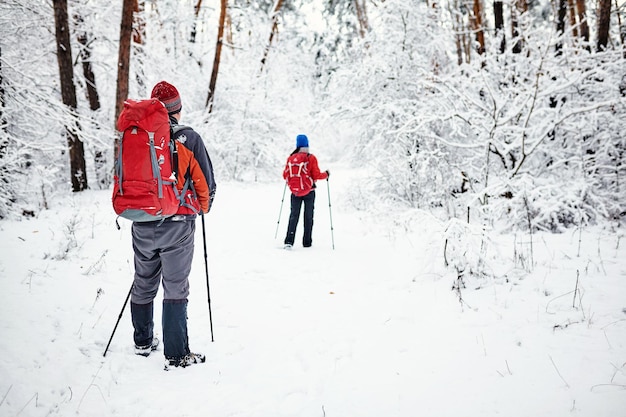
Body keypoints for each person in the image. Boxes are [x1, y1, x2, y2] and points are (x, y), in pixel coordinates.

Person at [130, 80, 217, 370]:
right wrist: (203, 207)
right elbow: (206, 182)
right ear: (177, 109)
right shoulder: (188, 138)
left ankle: (142, 341)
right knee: (175, 286)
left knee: (144, 281)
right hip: (178, 225)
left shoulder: (138, 136)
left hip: (142, 222)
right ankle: (177, 354)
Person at [283, 134, 329, 249]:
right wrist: (327, 174)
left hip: (295, 192)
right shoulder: (311, 157)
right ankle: (307, 242)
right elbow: (317, 175)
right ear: (307, 144)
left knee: (294, 216)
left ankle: (289, 241)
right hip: (309, 191)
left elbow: (285, 175)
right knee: (308, 216)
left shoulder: (291, 158)